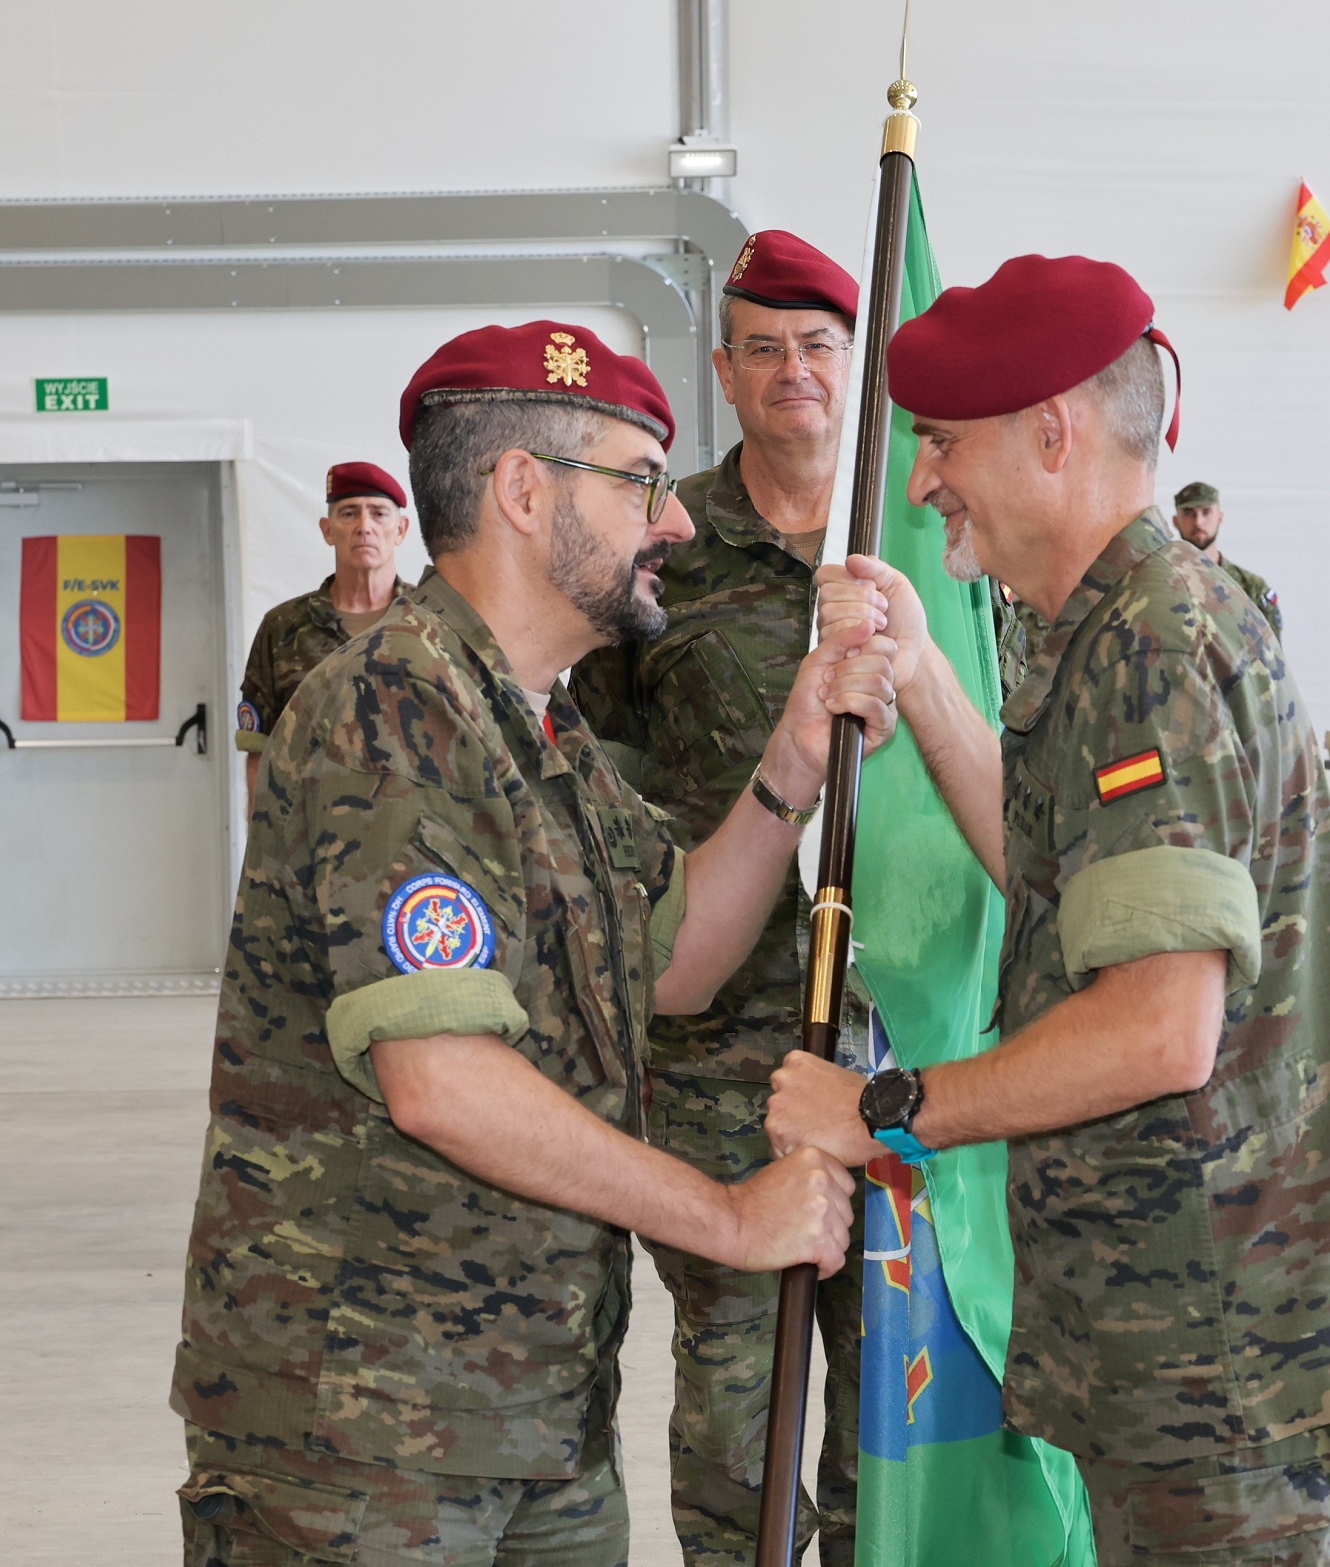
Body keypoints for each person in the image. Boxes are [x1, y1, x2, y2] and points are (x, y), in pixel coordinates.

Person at [172, 320, 899, 1566]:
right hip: (365, 1432)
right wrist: (727, 1215)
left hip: (535, 1414)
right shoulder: (389, 707)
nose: (672, 523)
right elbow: (442, 1080)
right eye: (640, 483)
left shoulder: (536, 729)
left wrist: (787, 765)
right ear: (522, 491)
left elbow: (678, 963)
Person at [766, 255, 1330, 1566]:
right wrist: (923, 673)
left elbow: (1155, 1027)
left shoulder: (1147, 647)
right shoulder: (1129, 619)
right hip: (1186, 1329)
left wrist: (889, 1108)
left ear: (1051, 433)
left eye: (942, 440)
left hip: (1208, 1343)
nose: (919, 481)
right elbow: (1068, 881)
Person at [570, 229, 864, 1566]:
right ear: (728, 377)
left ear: (853, 365)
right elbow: (596, 762)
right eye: (764, 348)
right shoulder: (666, 545)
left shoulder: (915, 534)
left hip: (901, 1034)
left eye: (815, 345)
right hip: (716, 1043)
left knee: (896, 1373)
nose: (792, 369)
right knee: (737, 1379)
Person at [234, 460, 412, 802]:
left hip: (414, 844)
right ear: (327, 529)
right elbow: (259, 752)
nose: (364, 527)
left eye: (378, 514)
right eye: (348, 513)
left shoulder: (432, 620)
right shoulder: (283, 628)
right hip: (314, 840)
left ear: (401, 530)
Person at [1172, 479, 1283, 640]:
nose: (1198, 521)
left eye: (1206, 512)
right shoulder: (1161, 580)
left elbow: (1272, 658)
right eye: (1189, 513)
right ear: (1176, 521)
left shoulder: (1252, 588)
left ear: (1220, 518)